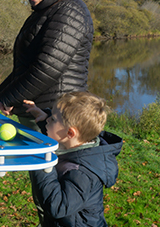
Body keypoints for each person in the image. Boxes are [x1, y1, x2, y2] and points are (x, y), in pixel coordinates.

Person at [0, 0, 94, 132]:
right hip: (40, 113)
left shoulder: (69, 11)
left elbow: (47, 68)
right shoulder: (45, 11)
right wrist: (3, 93)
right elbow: (27, 64)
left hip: (57, 117)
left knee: (52, 162)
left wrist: (9, 97)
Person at [22, 92, 123, 227]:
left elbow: (58, 206)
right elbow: (59, 134)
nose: (48, 120)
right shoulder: (73, 145)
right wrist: (43, 117)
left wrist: (44, 163)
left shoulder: (84, 173)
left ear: (70, 133)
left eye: (52, 119)